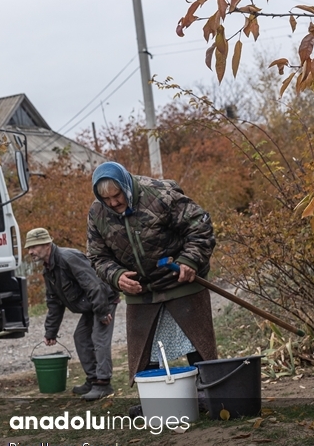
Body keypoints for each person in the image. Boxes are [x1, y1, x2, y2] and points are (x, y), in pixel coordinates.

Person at [86, 162, 218, 408]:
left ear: (126, 186)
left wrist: (190, 260)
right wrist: (117, 277)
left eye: (117, 195)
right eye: (107, 199)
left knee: (197, 341)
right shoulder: (97, 213)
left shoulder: (161, 193)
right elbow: (97, 256)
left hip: (180, 280)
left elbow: (200, 224)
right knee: (145, 349)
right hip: (141, 292)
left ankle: (208, 393)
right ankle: (154, 402)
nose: (113, 203)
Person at [24, 227, 119, 400]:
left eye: (33, 247)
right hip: (91, 304)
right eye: (28, 248)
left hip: (103, 299)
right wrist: (50, 332)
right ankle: (93, 379)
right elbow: (54, 302)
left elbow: (94, 284)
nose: (30, 251)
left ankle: (104, 384)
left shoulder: (68, 258)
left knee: (99, 338)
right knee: (81, 337)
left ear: (47, 244)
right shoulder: (48, 270)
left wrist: (103, 312)